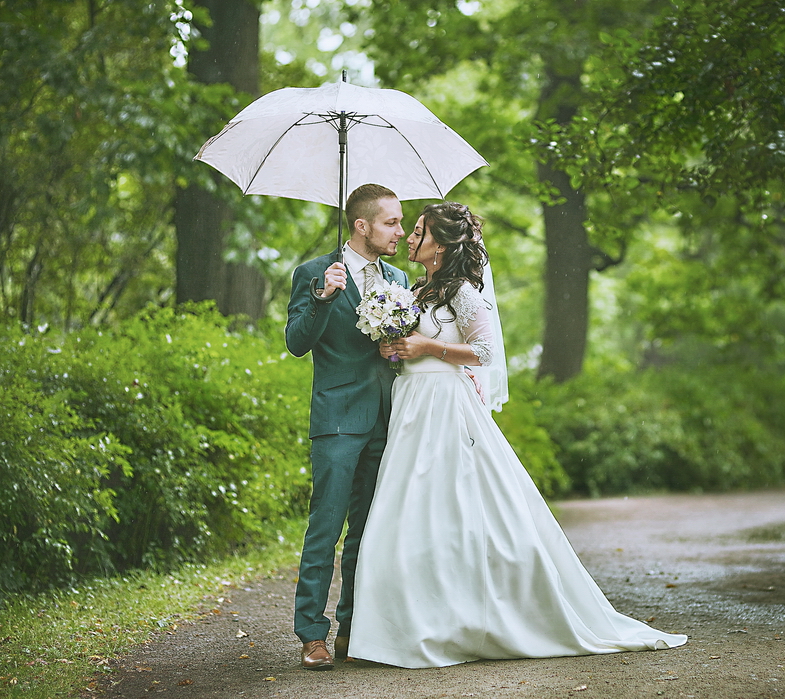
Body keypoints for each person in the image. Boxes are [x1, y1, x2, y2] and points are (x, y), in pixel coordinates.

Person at [347, 202, 687, 668]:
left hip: (445, 407)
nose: (409, 237)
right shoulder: (419, 289)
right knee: (405, 513)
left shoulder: (463, 292)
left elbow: (485, 351)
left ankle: (471, 620)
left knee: (451, 510)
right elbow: (414, 350)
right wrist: (396, 348)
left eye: (419, 231)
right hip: (411, 406)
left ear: (441, 245)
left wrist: (428, 346)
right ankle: (407, 626)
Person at [284, 183, 409, 671]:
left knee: (367, 530)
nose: (400, 231)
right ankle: (311, 633)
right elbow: (297, 342)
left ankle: (352, 628)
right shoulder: (314, 273)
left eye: (399, 223)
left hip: (388, 416)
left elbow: (402, 342)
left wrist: (396, 346)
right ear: (361, 226)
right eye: (391, 223)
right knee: (326, 527)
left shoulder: (398, 276)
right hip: (337, 418)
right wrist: (323, 297)